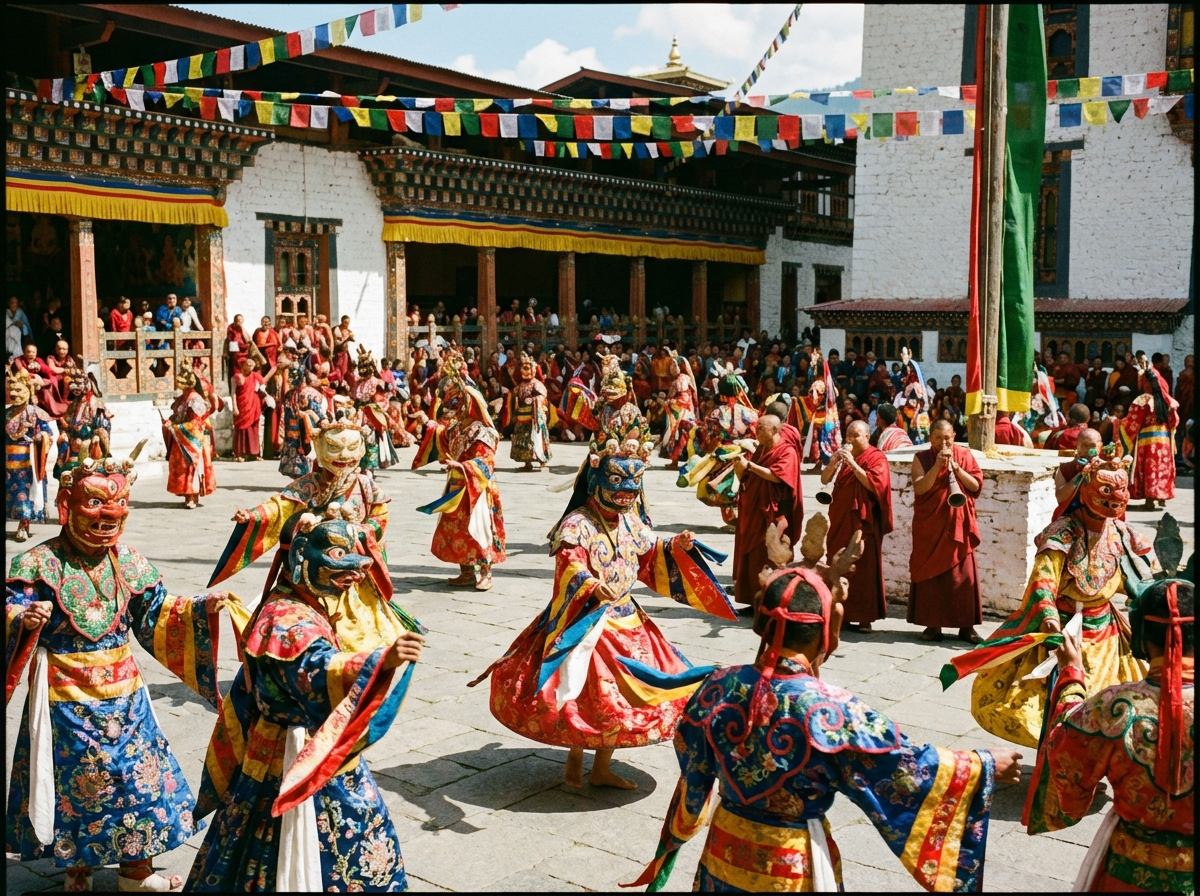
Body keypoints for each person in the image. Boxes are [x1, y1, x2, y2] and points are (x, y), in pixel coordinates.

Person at [627, 542, 1022, 893]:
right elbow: (905, 768)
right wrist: (981, 765)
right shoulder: (833, 711)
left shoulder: (717, 686)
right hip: (791, 866)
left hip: (724, 851)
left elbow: (694, 773)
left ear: (762, 626)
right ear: (824, 631)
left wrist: (685, 822)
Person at [6, 454, 241, 893]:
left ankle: (136, 872)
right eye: (94, 505)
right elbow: (10, 607)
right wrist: (23, 618)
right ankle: (77, 872)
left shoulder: (129, 561)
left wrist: (199, 609)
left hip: (128, 694)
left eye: (117, 506)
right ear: (66, 505)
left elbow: (156, 614)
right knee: (76, 787)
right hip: (64, 697)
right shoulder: (37, 564)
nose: (108, 516)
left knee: (139, 779)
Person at [470, 437, 735, 790]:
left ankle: (600, 768)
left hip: (626, 616)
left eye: (632, 489)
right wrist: (593, 586)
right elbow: (570, 563)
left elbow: (649, 551)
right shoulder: (577, 524)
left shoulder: (629, 520)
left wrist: (676, 544)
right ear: (598, 483)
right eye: (619, 487)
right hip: (586, 618)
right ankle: (575, 764)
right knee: (583, 693)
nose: (626, 496)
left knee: (620, 697)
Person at [187, 514, 424, 892]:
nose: (354, 577)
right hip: (291, 751)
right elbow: (313, 669)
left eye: (357, 568)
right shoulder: (286, 619)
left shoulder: (303, 604)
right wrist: (379, 661)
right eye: (339, 567)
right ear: (302, 560)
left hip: (289, 747)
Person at [948, 447, 1157, 748]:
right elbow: (1043, 579)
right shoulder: (1062, 535)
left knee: (1114, 711)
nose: (1114, 497)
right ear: (1086, 488)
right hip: (1063, 632)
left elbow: (1142, 580)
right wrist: (1047, 615)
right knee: (1058, 710)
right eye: (1106, 489)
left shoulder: (1124, 536)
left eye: (1121, 490)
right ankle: (1064, 761)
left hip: (1108, 636)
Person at [1022, 578, 1193, 893]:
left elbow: (1066, 743)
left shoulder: (1115, 705)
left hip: (1127, 870)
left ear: (1141, 637)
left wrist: (1072, 673)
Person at [413, 350, 506, 591]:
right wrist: (428, 423)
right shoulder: (457, 427)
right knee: (457, 527)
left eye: (454, 402)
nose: (450, 407)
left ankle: (486, 572)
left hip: (478, 486)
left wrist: (463, 466)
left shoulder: (482, 430)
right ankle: (466, 571)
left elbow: (487, 461)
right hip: (458, 482)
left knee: (479, 527)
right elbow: (443, 440)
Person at [906, 419, 984, 643]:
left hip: (958, 525)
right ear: (930, 438)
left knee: (963, 575)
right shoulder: (921, 458)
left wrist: (956, 468)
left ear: (954, 436)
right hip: (931, 525)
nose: (943, 442)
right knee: (932, 575)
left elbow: (975, 486)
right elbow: (921, 487)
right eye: (938, 438)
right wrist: (938, 467)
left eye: (947, 437)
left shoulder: (964, 455)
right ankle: (933, 625)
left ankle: (966, 626)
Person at [825, 419, 893, 632]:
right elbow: (824, 479)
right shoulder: (844, 459)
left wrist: (853, 465)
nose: (851, 440)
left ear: (867, 437)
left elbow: (875, 486)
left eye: (856, 436)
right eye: (849, 436)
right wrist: (834, 462)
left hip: (863, 522)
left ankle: (865, 617)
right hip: (841, 518)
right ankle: (840, 612)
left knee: (863, 568)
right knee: (837, 561)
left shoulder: (876, 458)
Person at [731, 413, 803, 612]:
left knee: (768, 555)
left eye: (761, 428)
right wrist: (742, 469)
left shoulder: (787, 452)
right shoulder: (762, 448)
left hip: (773, 513)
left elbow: (779, 477)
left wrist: (750, 466)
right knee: (753, 557)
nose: (756, 432)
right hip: (754, 509)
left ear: (774, 430)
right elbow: (748, 476)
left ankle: (771, 602)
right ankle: (754, 601)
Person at [681, 370, 759, 526]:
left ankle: (732, 519)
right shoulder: (750, 413)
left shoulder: (716, 413)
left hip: (724, 453)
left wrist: (697, 434)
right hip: (746, 452)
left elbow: (707, 438)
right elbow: (755, 435)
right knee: (745, 485)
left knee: (725, 488)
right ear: (739, 391)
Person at [1118, 358, 1179, 509]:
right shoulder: (1167, 401)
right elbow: (1174, 421)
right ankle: (1162, 497)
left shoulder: (1143, 400)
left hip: (1146, 442)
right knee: (1161, 467)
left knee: (1149, 468)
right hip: (1164, 442)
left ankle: (1150, 501)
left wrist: (1118, 424)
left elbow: (1133, 422)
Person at [5, 368, 55, 542]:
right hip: (8, 460)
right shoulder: (7, 413)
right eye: (11, 390)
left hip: (27, 462)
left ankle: (24, 525)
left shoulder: (36, 413)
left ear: (29, 390)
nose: (14, 394)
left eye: (19, 390)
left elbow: (48, 433)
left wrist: (42, 437)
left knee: (25, 495)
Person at [161, 366, 218, 509]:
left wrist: (175, 427)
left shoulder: (195, 399)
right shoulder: (182, 398)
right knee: (182, 467)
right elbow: (177, 416)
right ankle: (188, 494)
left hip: (193, 439)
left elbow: (196, 423)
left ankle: (192, 496)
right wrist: (170, 421)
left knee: (192, 467)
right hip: (181, 438)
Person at [53, 364, 112, 479]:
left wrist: (96, 436)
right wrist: (63, 427)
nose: (75, 387)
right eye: (73, 383)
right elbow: (67, 423)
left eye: (79, 383)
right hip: (74, 441)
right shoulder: (72, 403)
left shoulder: (95, 402)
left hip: (90, 441)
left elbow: (101, 426)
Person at [502, 351, 551, 471]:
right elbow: (515, 396)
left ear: (533, 370)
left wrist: (533, 399)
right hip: (522, 416)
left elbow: (543, 395)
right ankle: (526, 462)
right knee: (522, 439)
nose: (525, 371)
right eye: (523, 369)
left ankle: (541, 459)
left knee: (536, 438)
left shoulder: (536, 384)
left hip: (534, 416)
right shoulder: (521, 385)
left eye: (527, 368)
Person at [351, 347, 398, 471]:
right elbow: (355, 399)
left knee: (372, 440)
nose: (362, 370)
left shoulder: (376, 382)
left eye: (365, 366)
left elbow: (381, 399)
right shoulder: (358, 383)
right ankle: (360, 466)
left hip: (372, 415)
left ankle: (371, 467)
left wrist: (373, 411)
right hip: (358, 414)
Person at [278, 366, 329, 478]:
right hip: (299, 429)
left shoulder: (306, 393)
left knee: (304, 452)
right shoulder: (299, 393)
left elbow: (316, 411)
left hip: (303, 428)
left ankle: (303, 477)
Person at [1051, 428, 1104, 519]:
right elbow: (1059, 497)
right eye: (1084, 446)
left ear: (1100, 446)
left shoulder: (1106, 467)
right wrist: (1080, 476)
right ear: (1077, 446)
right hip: (1071, 517)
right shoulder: (1065, 468)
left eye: (1092, 446)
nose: (1088, 451)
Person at [659, 355, 698, 469]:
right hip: (676, 411)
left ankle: (677, 461)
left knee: (679, 436)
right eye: (670, 364)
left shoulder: (682, 378)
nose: (672, 367)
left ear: (681, 366)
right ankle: (674, 461)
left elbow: (685, 398)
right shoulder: (677, 379)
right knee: (676, 436)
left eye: (674, 364)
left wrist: (671, 401)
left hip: (681, 412)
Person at [231, 356, 265, 461]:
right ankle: (239, 454)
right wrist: (235, 407)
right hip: (242, 406)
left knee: (254, 429)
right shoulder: (236, 377)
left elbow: (263, 385)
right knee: (241, 429)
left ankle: (255, 453)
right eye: (248, 365)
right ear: (243, 365)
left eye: (252, 366)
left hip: (253, 405)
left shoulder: (255, 376)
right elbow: (233, 393)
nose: (250, 368)